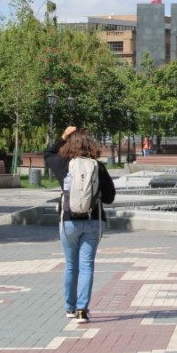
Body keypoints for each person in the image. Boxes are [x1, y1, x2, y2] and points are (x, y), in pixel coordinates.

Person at [45, 126, 116, 324]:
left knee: (71, 266)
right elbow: (110, 197)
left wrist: (63, 136)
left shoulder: (63, 164)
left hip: (68, 222)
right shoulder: (98, 167)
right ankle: (82, 310)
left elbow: (47, 154)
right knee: (87, 266)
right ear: (91, 145)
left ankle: (69, 307)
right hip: (94, 221)